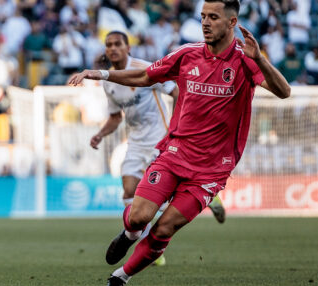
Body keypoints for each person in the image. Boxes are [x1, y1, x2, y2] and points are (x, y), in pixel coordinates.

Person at [69, 0, 290, 286]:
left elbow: (284, 91)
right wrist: (101, 74)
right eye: (203, 16)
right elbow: (146, 76)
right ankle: (129, 234)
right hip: (174, 155)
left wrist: (260, 60)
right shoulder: (187, 54)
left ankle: (120, 278)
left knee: (164, 228)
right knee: (139, 216)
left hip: (210, 171)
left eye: (213, 17)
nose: (205, 23)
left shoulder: (245, 61)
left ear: (232, 22)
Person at [91, 31, 226, 265]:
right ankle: (150, 249)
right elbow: (115, 117)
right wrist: (100, 134)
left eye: (117, 44)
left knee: (158, 195)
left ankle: (208, 197)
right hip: (134, 142)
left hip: (160, 138)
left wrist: (177, 128)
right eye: (108, 45)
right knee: (128, 191)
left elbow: (176, 92)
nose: (113, 48)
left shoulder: (145, 68)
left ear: (128, 47)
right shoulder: (109, 82)